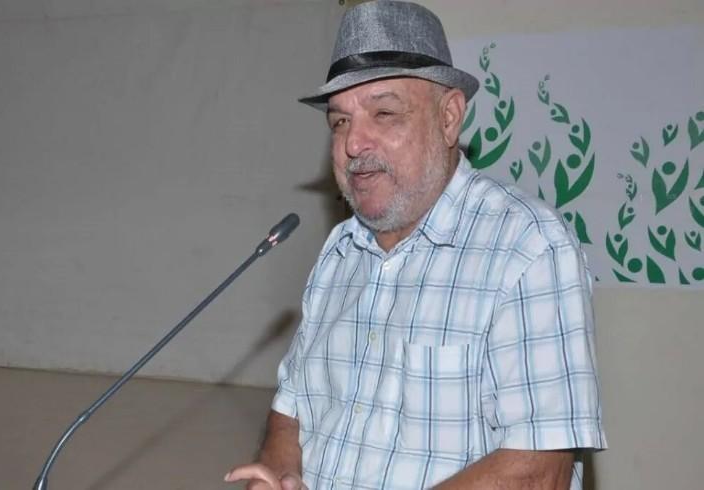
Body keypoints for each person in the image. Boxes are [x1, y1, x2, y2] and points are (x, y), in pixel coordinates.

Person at [226, 1, 606, 489]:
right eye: (339, 122)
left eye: (384, 113)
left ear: (449, 117)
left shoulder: (528, 247)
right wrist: (278, 473)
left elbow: (538, 470)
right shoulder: (340, 253)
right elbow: (291, 412)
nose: (353, 143)